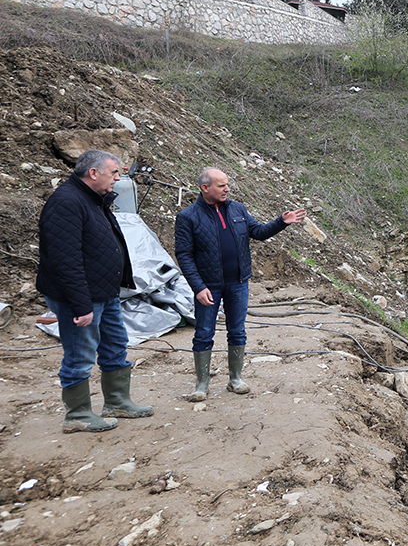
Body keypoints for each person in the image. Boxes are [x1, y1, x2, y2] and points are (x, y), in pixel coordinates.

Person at [36, 149, 153, 433]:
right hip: (81, 296)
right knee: (80, 354)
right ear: (93, 173)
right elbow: (66, 259)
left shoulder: (93, 199)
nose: (118, 178)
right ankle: (77, 415)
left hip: (104, 291)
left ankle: (117, 402)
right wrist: (81, 305)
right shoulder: (67, 202)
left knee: (115, 346)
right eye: (114, 173)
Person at [174, 167, 306, 401]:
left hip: (238, 283)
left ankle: (235, 379)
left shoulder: (237, 208)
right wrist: (198, 287)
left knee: (237, 331)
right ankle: (201, 384)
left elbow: (257, 232)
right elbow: (184, 255)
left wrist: (281, 222)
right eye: (221, 185)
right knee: (204, 333)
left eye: (227, 184)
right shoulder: (188, 217)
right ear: (205, 188)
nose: (227, 189)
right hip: (208, 286)